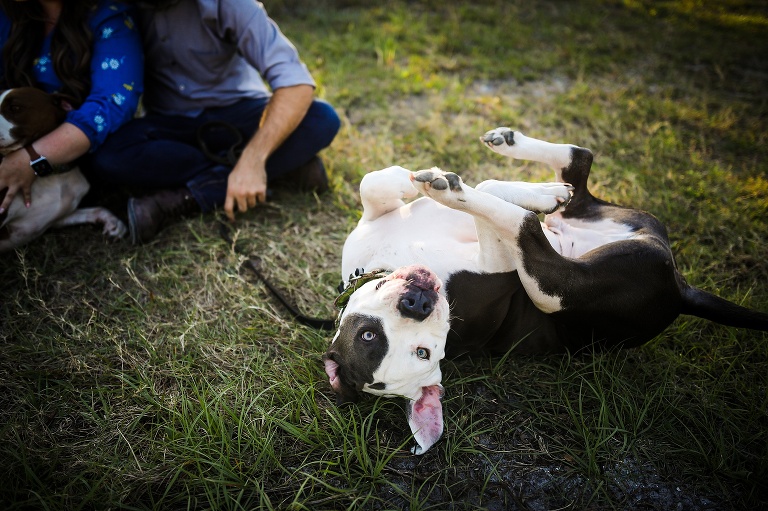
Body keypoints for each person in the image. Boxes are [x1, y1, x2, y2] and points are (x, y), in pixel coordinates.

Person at [86, 0, 342, 245]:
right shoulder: (116, 10)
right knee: (107, 155)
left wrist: (253, 160)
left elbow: (295, 83)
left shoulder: (228, 3)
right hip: (169, 125)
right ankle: (284, 169)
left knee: (321, 119)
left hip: (239, 113)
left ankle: (183, 198)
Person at [0, 0, 143, 217]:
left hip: (73, 156)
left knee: (110, 159)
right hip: (9, 139)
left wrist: (31, 160)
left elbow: (110, 103)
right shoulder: (8, 14)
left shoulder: (109, 16)